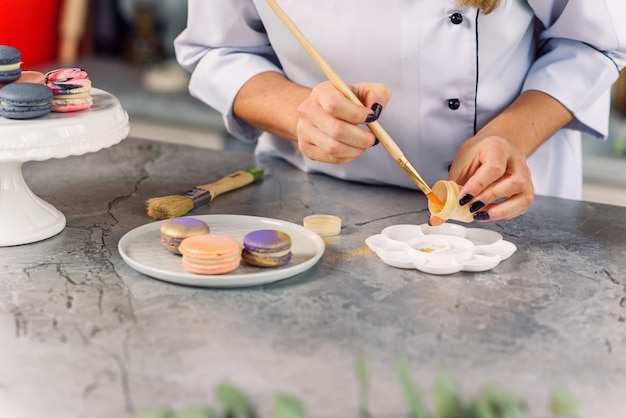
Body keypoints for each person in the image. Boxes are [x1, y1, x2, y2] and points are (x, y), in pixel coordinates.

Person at [174, 0, 626, 224]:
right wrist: (300, 113)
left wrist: (512, 136)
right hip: (318, 207)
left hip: (506, 208)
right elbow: (219, 49)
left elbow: (589, 42)